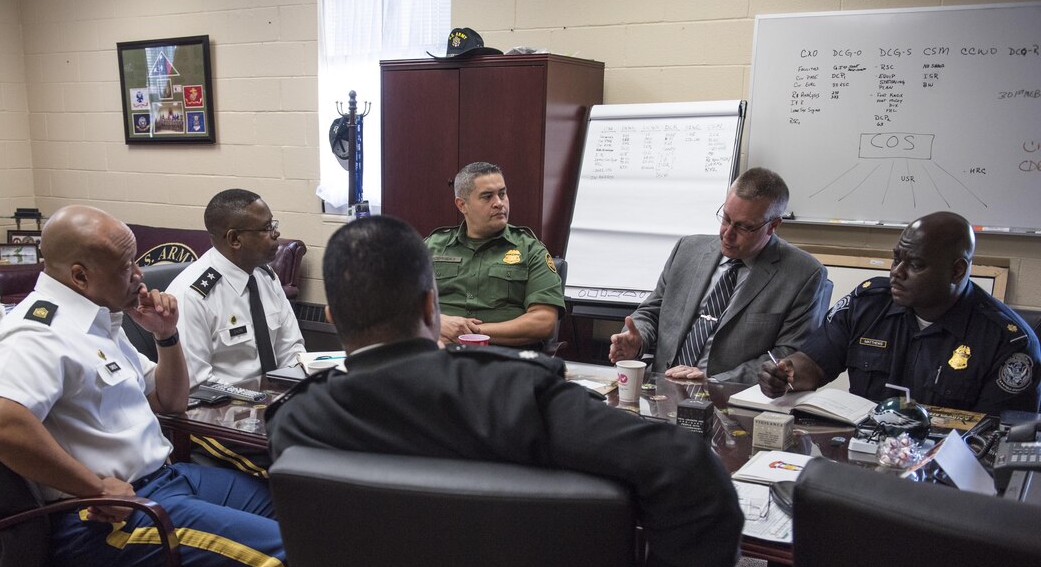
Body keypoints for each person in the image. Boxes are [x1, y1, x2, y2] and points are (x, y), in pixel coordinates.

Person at [266, 215, 743, 567]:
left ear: (330, 316)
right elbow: (689, 469)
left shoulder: (295, 422)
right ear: (432, 306)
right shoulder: (516, 395)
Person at [0, 205, 312, 567]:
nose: (140, 275)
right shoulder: (37, 333)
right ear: (80, 275)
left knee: (304, 519)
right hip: (107, 519)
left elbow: (170, 400)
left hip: (167, 480)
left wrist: (166, 334)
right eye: (128, 266)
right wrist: (91, 485)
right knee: (281, 558)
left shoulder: (98, 321)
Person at [759, 211, 1041, 415]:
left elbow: (997, 439)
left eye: (915, 264)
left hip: (941, 476)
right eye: (897, 258)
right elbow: (814, 364)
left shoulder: (1007, 342)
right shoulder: (868, 303)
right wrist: (786, 374)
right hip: (860, 453)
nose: (896, 272)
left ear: (957, 270)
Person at [609, 167, 830, 383]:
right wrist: (638, 340)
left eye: (744, 227)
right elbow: (652, 311)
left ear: (773, 225)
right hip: (660, 388)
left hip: (728, 400)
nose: (727, 234)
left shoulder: (804, 275)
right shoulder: (687, 250)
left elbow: (788, 356)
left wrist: (713, 381)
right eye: (725, 218)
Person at [168, 189, 304, 476]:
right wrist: (260, 404)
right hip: (217, 420)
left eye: (274, 225)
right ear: (234, 239)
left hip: (271, 410)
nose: (276, 234)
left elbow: (292, 350)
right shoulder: (192, 295)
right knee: (300, 470)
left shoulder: (266, 276)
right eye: (267, 228)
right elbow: (197, 385)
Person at [425, 162, 565, 348]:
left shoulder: (530, 249)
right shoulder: (432, 246)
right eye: (487, 196)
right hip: (438, 354)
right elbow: (399, 305)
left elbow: (544, 322)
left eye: (502, 194)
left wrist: (469, 334)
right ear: (462, 205)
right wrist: (439, 322)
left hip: (503, 357)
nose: (499, 203)